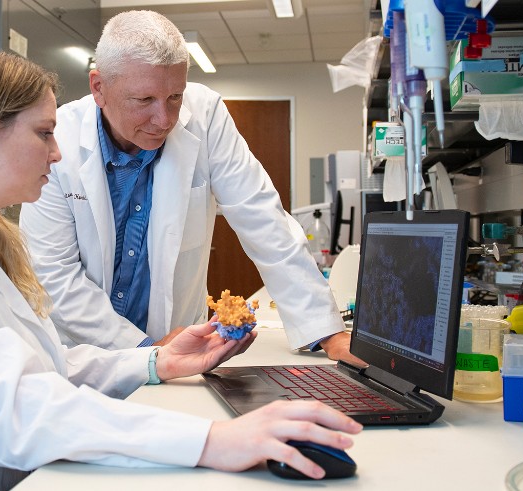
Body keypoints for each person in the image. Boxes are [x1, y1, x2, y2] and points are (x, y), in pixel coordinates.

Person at [0, 48, 361, 489]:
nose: (57, 154)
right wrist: (214, 440)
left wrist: (157, 361)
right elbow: (13, 406)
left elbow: (42, 366)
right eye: (44, 134)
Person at [20, 10, 365, 367]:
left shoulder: (205, 116)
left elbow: (262, 217)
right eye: (144, 101)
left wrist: (326, 330)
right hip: (84, 357)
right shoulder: (58, 141)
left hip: (180, 347)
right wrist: (145, 349)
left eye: (175, 97)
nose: (165, 120)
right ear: (99, 88)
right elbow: (54, 274)